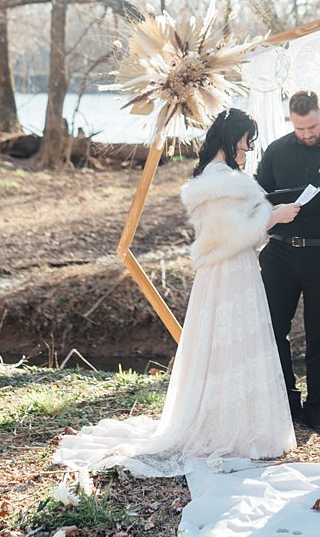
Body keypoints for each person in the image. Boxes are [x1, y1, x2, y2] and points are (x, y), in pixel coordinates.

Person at [53, 108, 303, 477]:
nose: (249, 149)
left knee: (231, 343)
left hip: (231, 271)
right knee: (228, 341)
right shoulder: (222, 181)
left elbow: (232, 231)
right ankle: (227, 425)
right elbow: (228, 235)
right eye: (247, 141)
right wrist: (273, 216)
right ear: (234, 139)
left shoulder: (219, 177)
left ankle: (239, 418)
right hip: (228, 271)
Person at [254, 89, 320, 434]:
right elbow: (256, 198)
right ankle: (287, 402)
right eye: (300, 128)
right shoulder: (275, 151)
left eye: (312, 126)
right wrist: (274, 214)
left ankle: (315, 409)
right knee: (273, 330)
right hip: (280, 255)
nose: (306, 134)